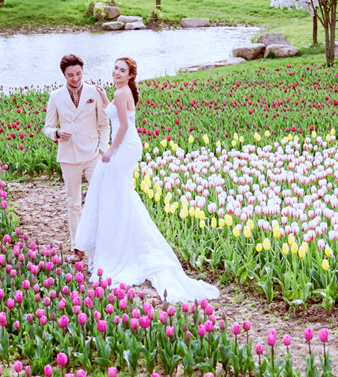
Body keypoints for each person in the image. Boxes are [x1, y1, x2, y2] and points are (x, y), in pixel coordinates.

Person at [75, 56, 220, 302]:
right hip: (127, 145)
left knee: (114, 190)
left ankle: (120, 247)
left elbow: (122, 127)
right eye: (115, 68)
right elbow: (119, 115)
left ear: (131, 75)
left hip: (125, 145)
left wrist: (110, 150)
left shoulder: (122, 93)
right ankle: (119, 240)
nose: (117, 72)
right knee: (117, 193)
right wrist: (103, 98)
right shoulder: (121, 92)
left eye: (122, 70)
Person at [44, 53, 109, 253]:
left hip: (92, 154)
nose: (75, 78)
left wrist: (101, 148)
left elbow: (104, 123)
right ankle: (77, 246)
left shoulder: (94, 92)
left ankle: (101, 241)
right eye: (70, 75)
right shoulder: (55, 96)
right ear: (64, 74)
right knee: (73, 202)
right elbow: (47, 127)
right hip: (68, 155)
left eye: (79, 73)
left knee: (100, 195)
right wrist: (56, 132)